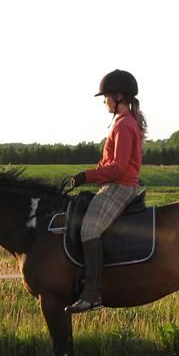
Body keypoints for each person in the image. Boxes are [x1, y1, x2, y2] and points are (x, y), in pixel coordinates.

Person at [64, 69, 147, 313]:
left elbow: (117, 167)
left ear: (118, 96)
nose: (104, 102)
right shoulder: (126, 122)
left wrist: (85, 176)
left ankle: (92, 293)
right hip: (118, 184)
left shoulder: (123, 125)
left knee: (89, 229)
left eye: (106, 97)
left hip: (120, 187)